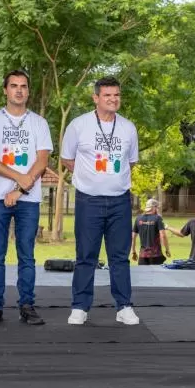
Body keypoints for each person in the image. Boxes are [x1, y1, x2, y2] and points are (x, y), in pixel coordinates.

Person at [60, 76, 140, 326]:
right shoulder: (78, 125)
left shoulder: (128, 128)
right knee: (86, 255)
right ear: (96, 98)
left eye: (116, 95)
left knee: (120, 257)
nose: (113, 99)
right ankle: (80, 306)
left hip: (120, 202)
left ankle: (124, 306)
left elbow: (131, 162)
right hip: (89, 201)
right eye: (107, 95)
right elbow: (67, 159)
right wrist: (90, 178)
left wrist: (110, 178)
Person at [0, 69, 52, 327]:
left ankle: (27, 306)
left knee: (26, 255)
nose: (19, 90)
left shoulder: (39, 123)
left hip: (28, 199)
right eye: (14, 85)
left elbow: (42, 161)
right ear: (5, 90)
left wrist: (19, 189)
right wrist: (19, 177)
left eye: (23, 86)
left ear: (28, 91)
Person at [132, 198, 171, 265]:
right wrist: (167, 249)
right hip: (156, 255)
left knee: (142, 272)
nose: (158, 209)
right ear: (154, 208)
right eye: (157, 208)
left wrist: (133, 252)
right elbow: (163, 236)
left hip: (142, 256)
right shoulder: (157, 218)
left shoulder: (138, 218)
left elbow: (133, 237)